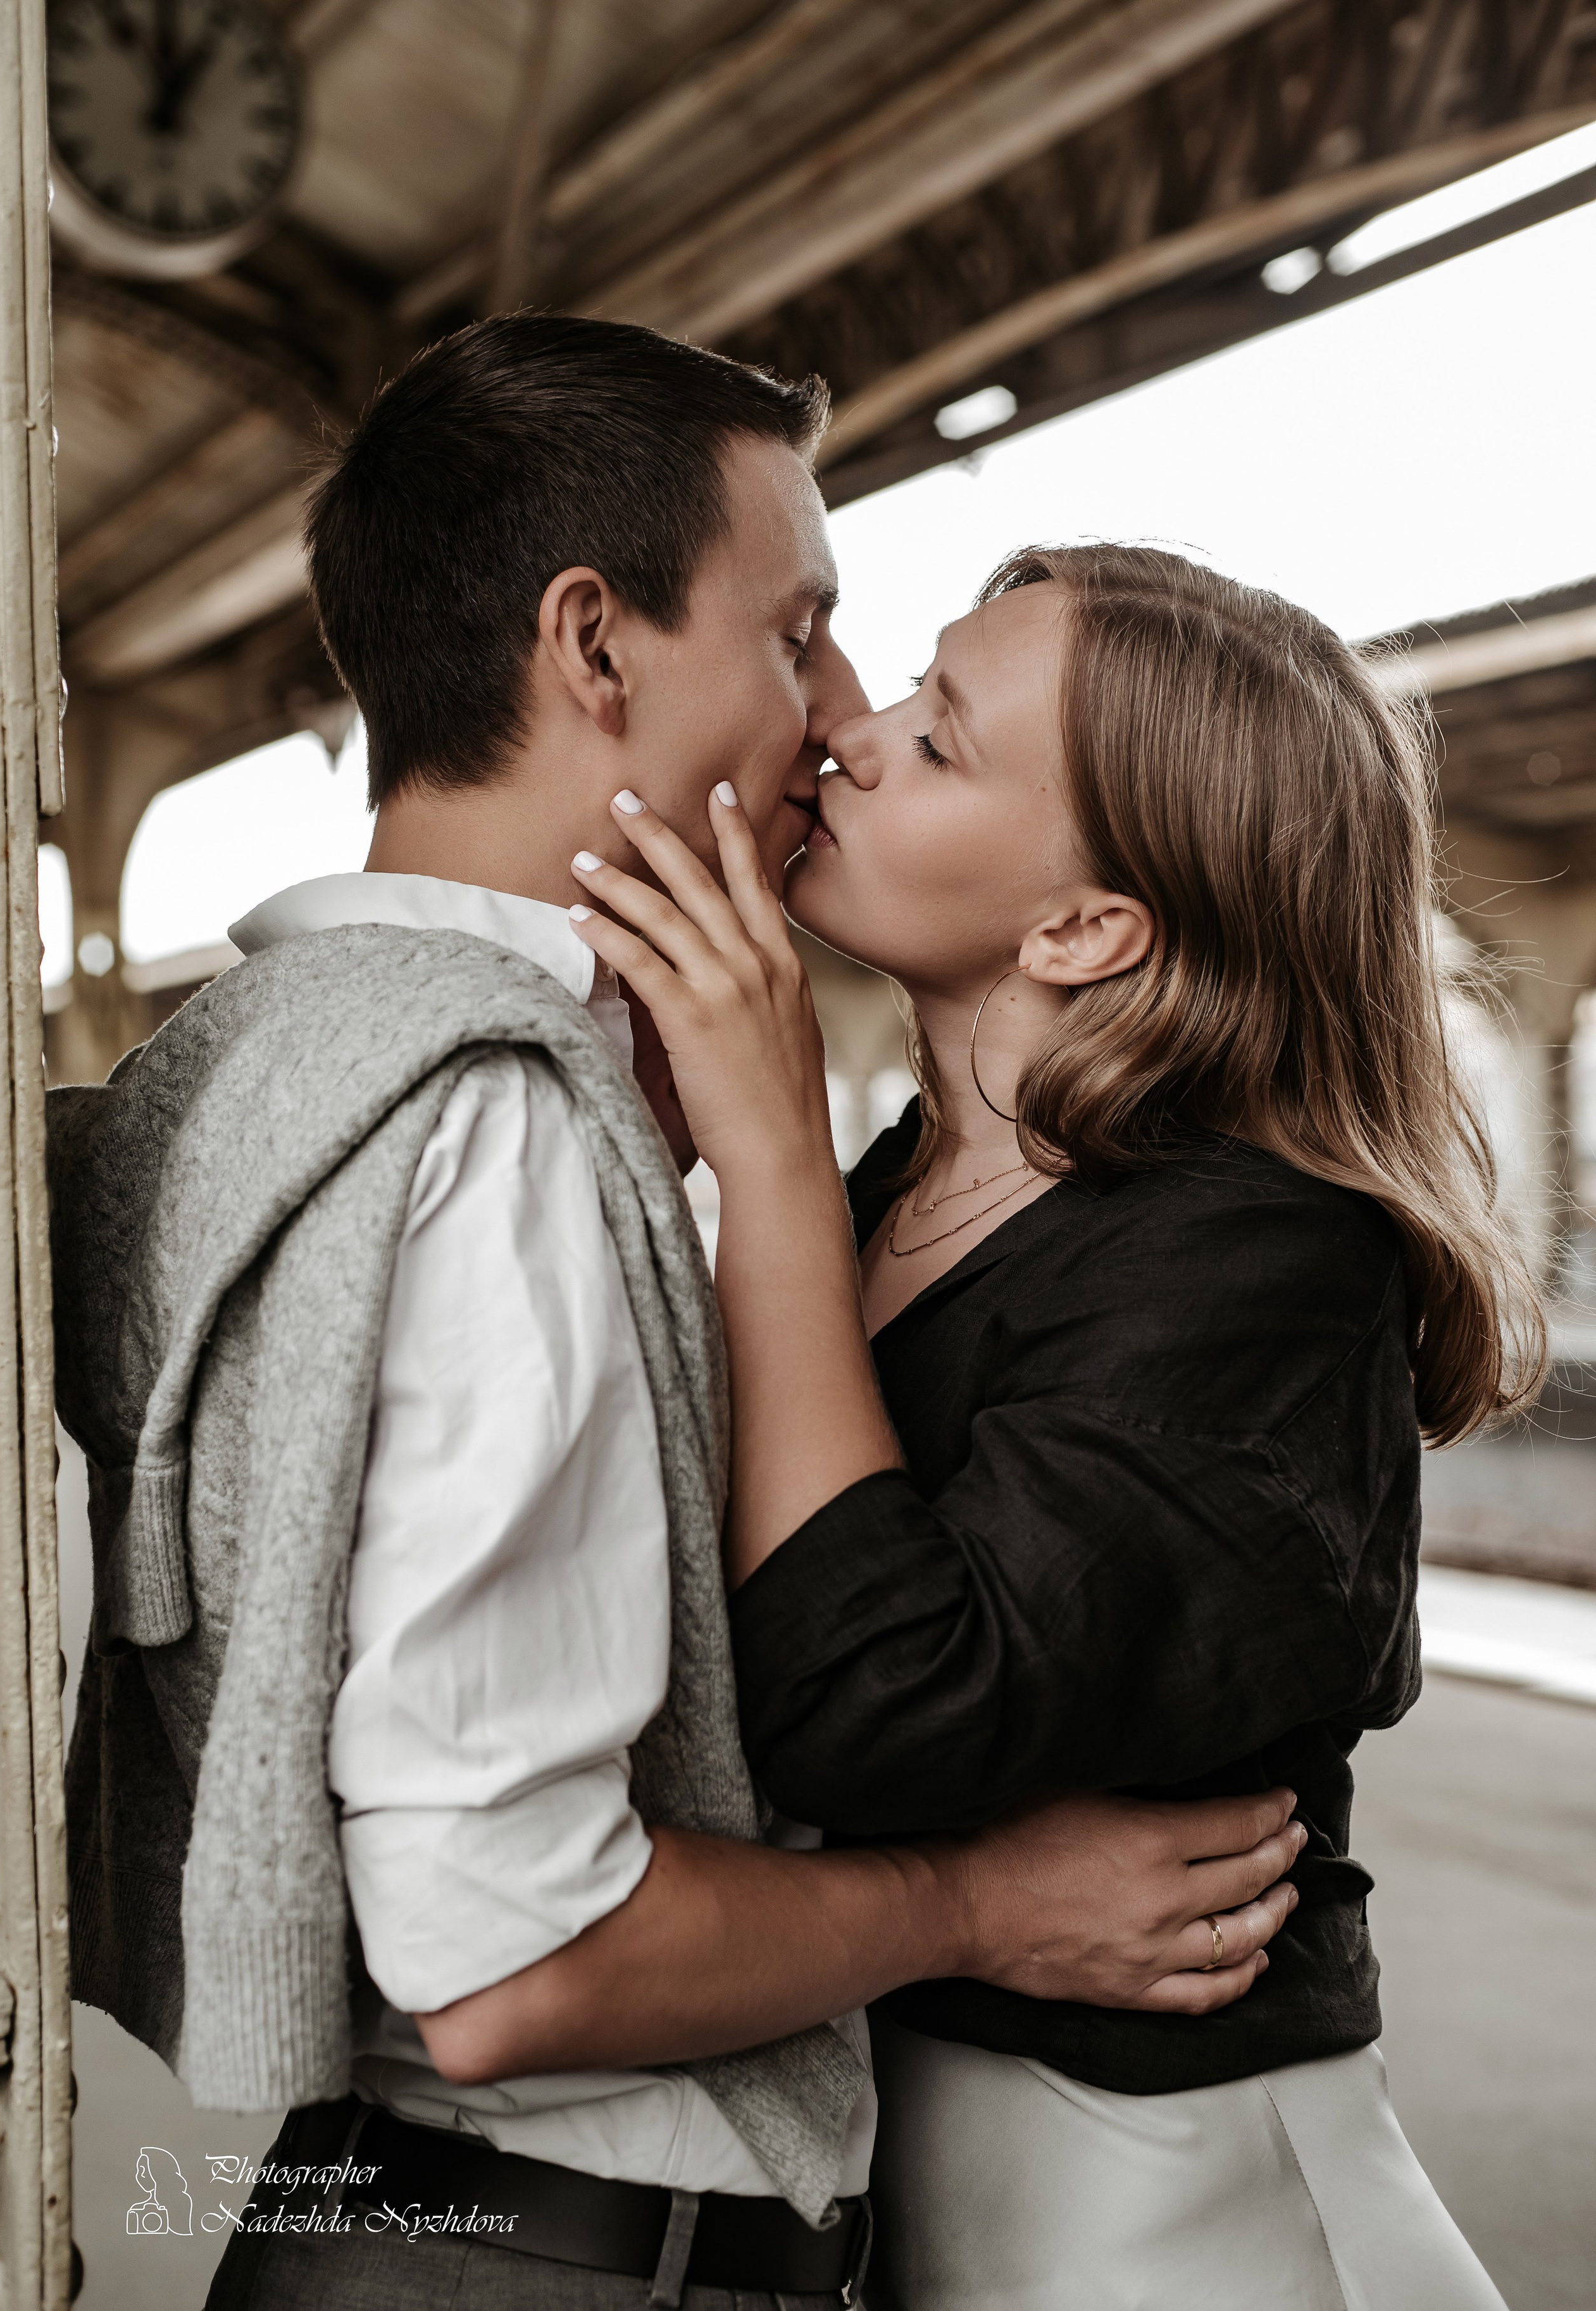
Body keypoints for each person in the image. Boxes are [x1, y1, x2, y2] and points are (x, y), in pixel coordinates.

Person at [49, 328, 1306, 2311]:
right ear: (595, 645)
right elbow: (509, 1959)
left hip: (356, 2215)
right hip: (555, 2257)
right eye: (799, 627)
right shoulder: (502, 1120)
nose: (830, 713)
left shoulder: (232, 1067)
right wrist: (984, 1900)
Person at [562, 541, 1544, 2310]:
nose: (851, 735)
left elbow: (882, 1699)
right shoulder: (896, 1198)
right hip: (964, 2193)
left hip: (1196, 2215)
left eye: (940, 737)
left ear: (1085, 929)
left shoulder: (1254, 1254)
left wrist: (769, 1140)